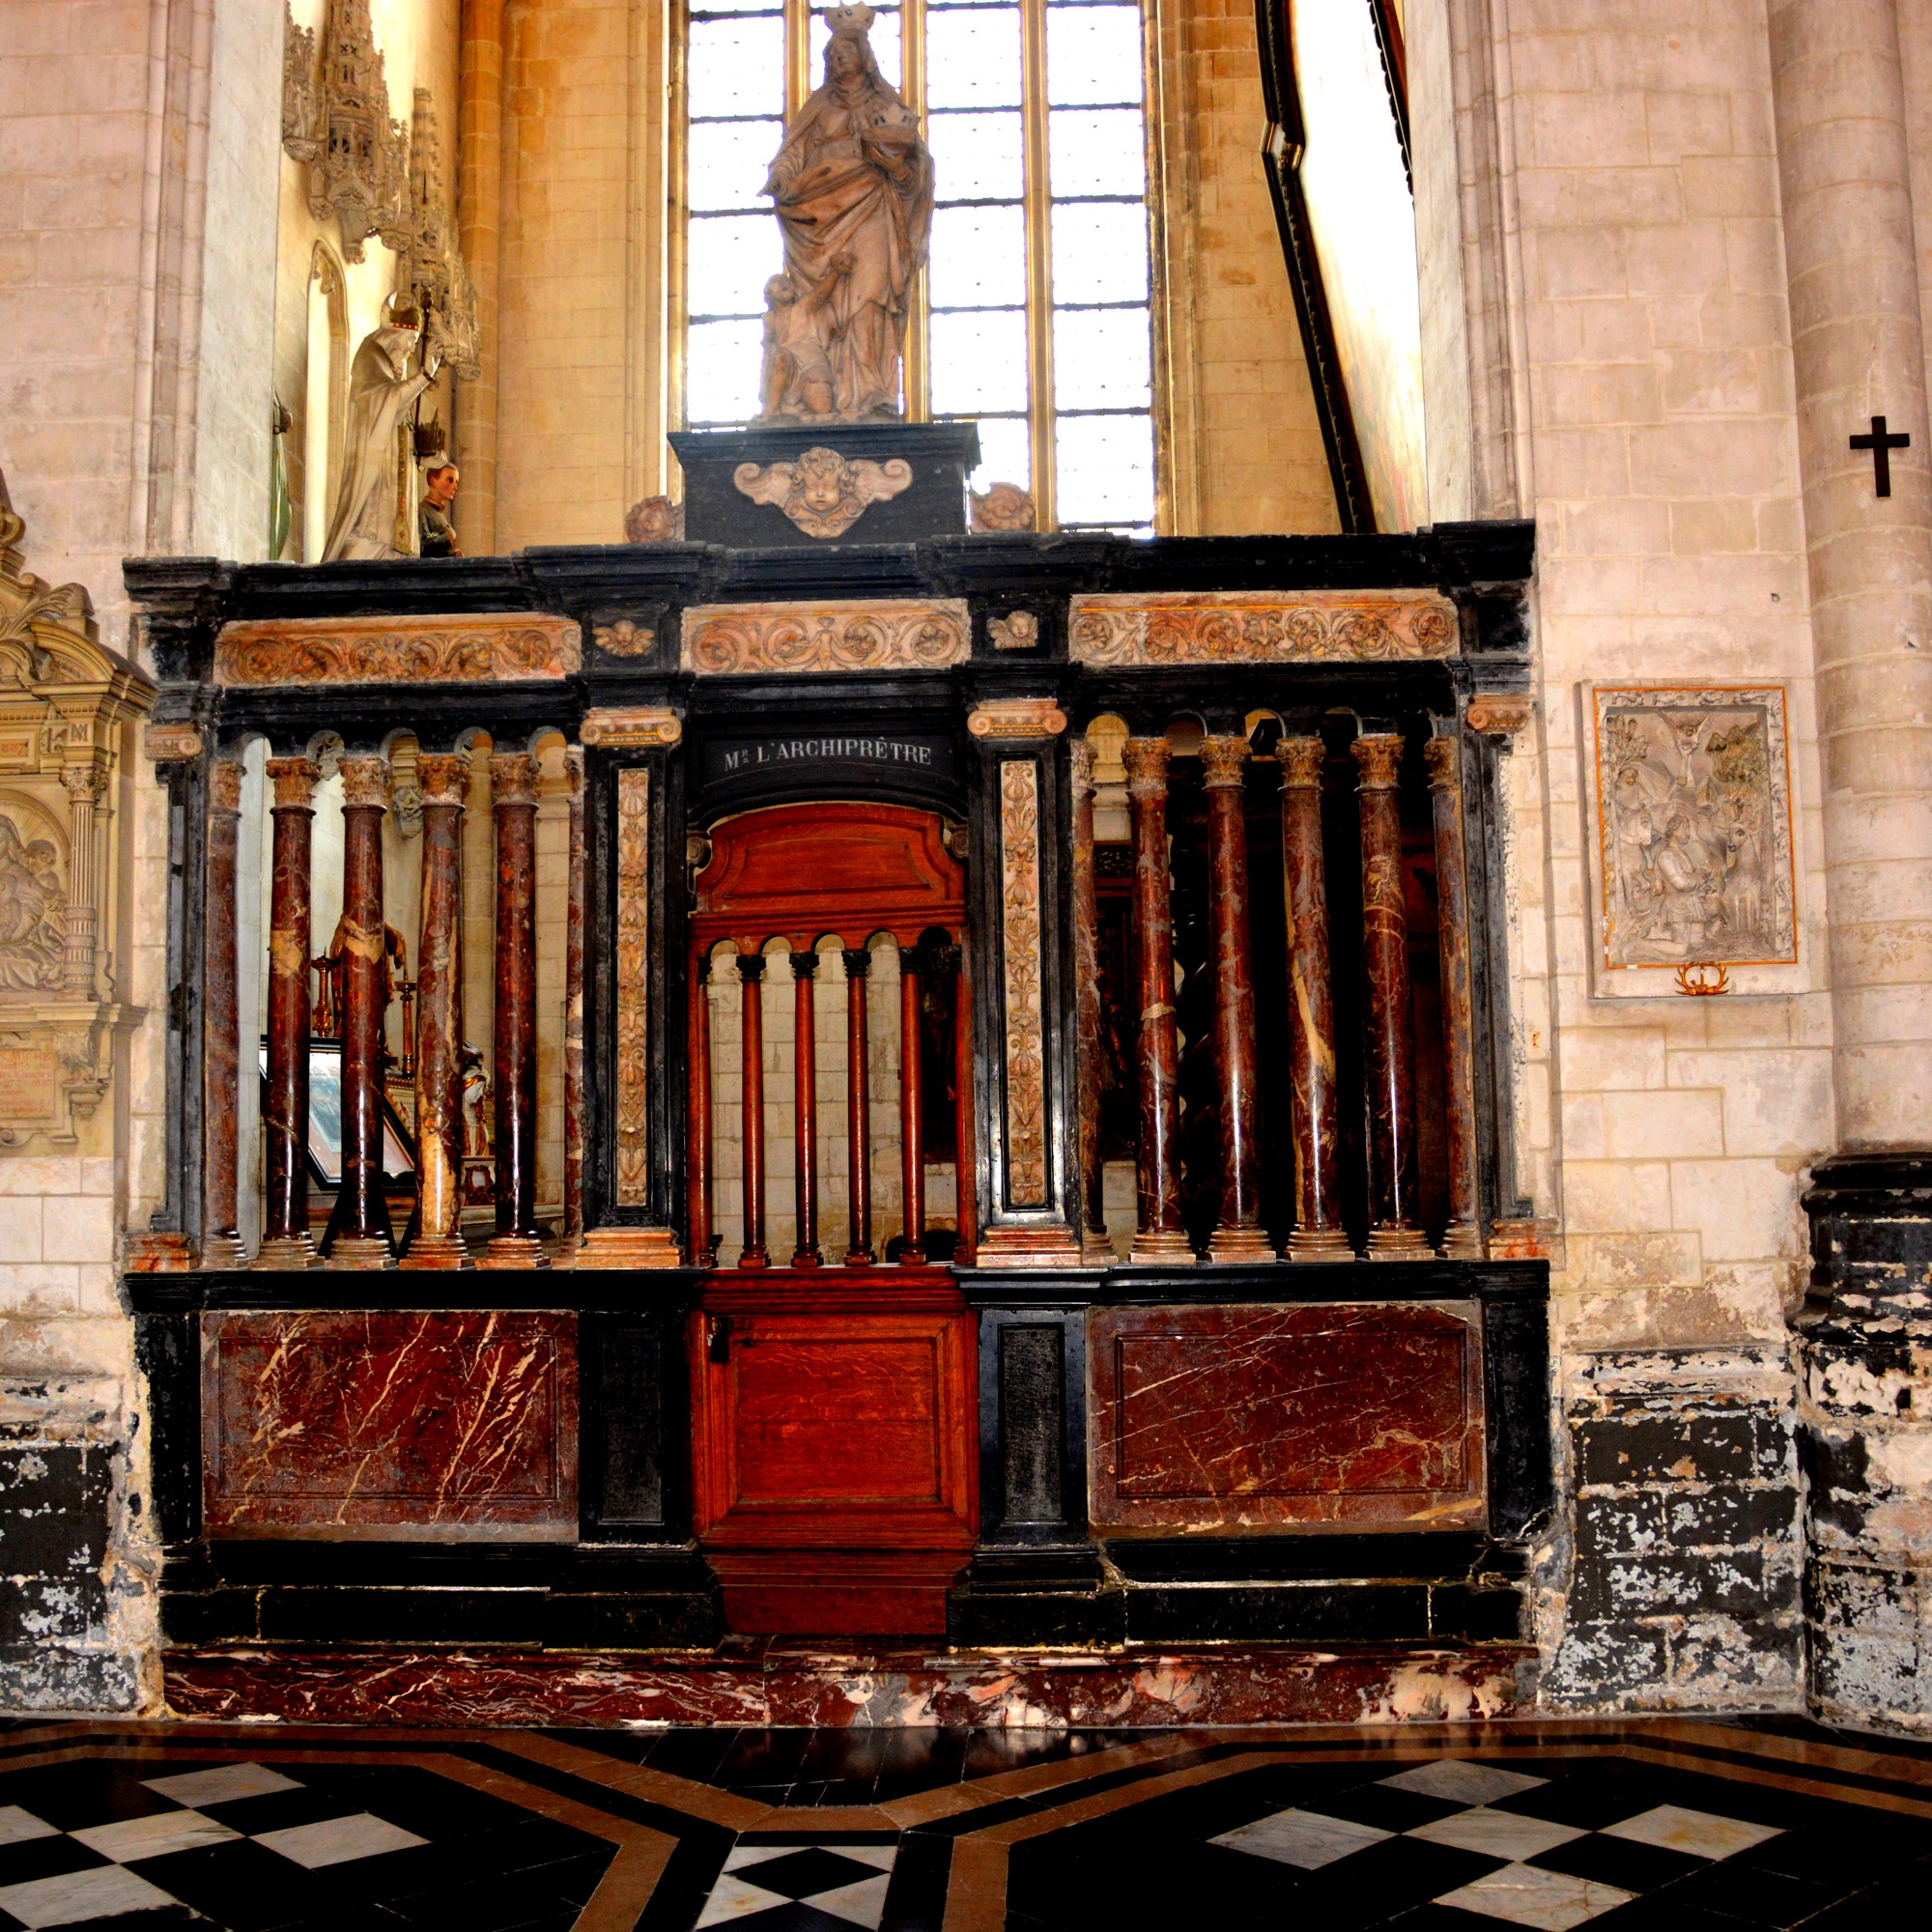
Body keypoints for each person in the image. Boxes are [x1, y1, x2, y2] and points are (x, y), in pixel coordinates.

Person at [759, 6, 932, 421]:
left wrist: (894, 164)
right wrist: (782, 178)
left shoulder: (885, 107)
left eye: (844, 52)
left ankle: (871, 394)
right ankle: (815, 394)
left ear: (863, 56)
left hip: (872, 210)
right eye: (831, 54)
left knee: (869, 299)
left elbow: (914, 176)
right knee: (820, 310)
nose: (836, 59)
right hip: (820, 217)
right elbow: (791, 154)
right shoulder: (817, 108)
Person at [322, 297, 439, 563]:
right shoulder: (371, 355)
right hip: (376, 477)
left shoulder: (390, 369)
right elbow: (382, 400)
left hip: (394, 479)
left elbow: (396, 407)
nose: (411, 348)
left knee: (390, 549)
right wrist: (424, 376)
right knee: (370, 538)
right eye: (412, 340)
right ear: (396, 334)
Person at [419, 463, 461, 557]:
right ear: (433, 481)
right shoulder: (422, 510)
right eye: (450, 480)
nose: (455, 487)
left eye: (456, 482)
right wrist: (448, 536)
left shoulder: (439, 514)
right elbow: (421, 547)